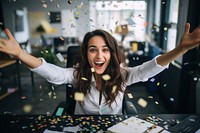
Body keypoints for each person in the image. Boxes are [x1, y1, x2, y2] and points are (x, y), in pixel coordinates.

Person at [0, 23, 200, 114]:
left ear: (112, 53)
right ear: (86, 54)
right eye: (93, 50)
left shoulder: (123, 75)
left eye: (105, 50)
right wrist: (20, 54)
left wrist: (180, 49)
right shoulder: (78, 74)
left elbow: (148, 69)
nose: (99, 56)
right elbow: (55, 74)